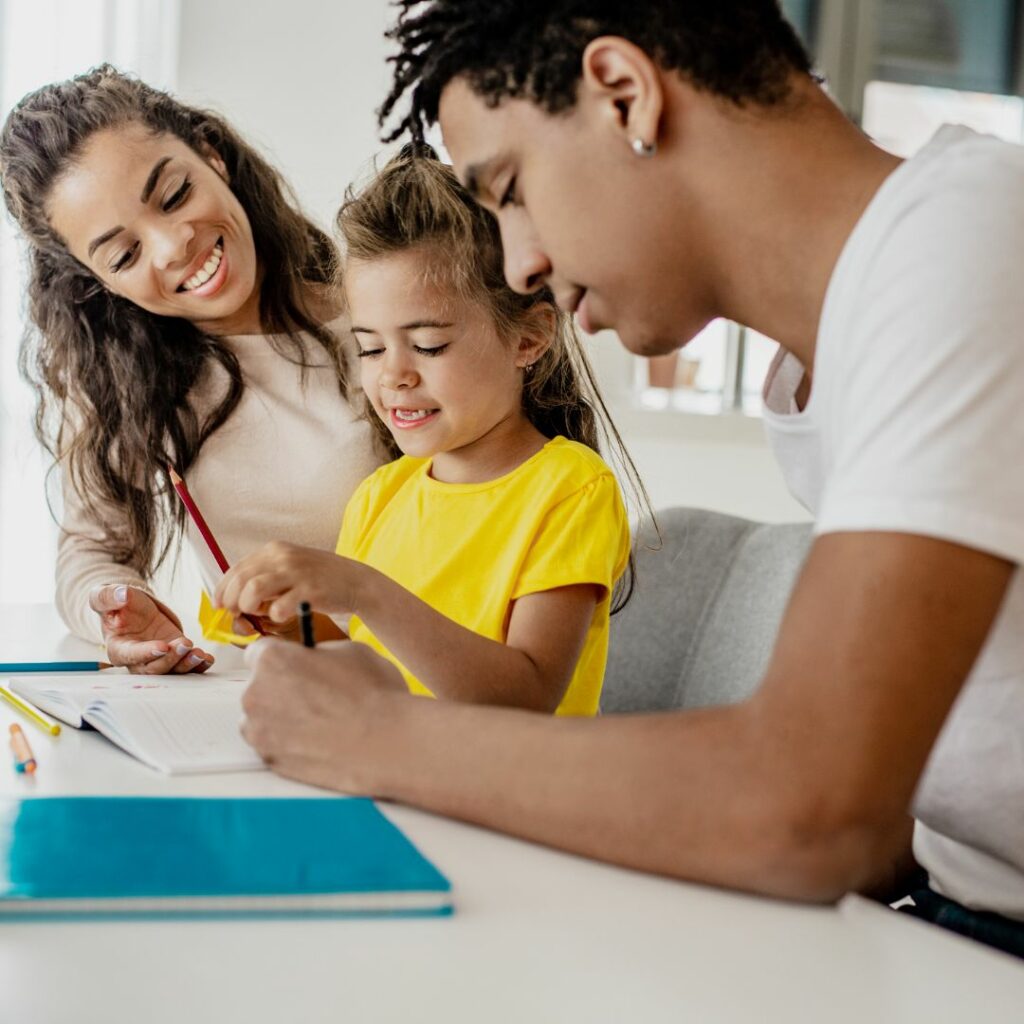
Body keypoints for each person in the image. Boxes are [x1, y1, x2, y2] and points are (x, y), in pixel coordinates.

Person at [239, 1, 1024, 957]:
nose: (522, 261)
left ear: (625, 94)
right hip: (946, 918)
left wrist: (371, 737)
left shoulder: (969, 248)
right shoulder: (821, 363)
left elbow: (815, 807)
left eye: (513, 190)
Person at [216, 147, 633, 714]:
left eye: (429, 345)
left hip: (509, 797)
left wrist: (364, 589)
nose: (393, 374)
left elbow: (526, 699)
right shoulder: (380, 495)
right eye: (369, 347)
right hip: (398, 778)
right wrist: (287, 628)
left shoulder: (571, 490)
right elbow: (381, 678)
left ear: (529, 339)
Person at [0, 65, 381, 673]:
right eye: (124, 254)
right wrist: (120, 609)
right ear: (98, 282)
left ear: (211, 155)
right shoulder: (126, 382)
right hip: (280, 705)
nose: (173, 246)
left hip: (431, 692)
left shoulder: (385, 323)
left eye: (174, 195)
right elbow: (93, 549)